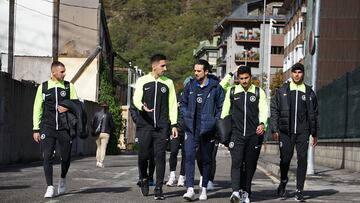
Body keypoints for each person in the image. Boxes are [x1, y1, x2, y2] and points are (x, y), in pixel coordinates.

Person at [270, 63, 319, 202]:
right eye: (295, 72)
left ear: (303, 74)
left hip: (303, 132)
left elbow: (314, 113)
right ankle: (284, 180)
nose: (297, 74)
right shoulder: (282, 91)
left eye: (300, 72)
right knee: (285, 160)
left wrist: (314, 133)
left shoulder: (309, 92)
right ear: (291, 74)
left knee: (302, 159)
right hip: (286, 132)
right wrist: (275, 129)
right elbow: (274, 110)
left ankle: (299, 190)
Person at [132, 54, 178, 200]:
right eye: (163, 66)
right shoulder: (142, 81)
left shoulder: (168, 83)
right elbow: (136, 98)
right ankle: (144, 178)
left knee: (160, 157)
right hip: (145, 125)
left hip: (162, 127)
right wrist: (141, 106)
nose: (165, 68)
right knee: (143, 155)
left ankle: (158, 188)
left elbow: (172, 105)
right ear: (154, 66)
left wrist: (174, 124)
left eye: (165, 65)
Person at [220, 66, 268, 203]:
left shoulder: (259, 92)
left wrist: (263, 124)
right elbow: (225, 113)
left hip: (254, 135)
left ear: (251, 77)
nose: (244, 81)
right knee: (237, 163)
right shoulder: (232, 91)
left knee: (250, 165)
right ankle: (235, 191)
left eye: (246, 78)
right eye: (241, 78)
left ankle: (246, 192)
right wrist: (223, 131)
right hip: (236, 134)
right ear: (237, 79)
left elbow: (264, 111)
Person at [32, 61, 78, 198]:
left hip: (65, 128)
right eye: (62, 71)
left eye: (64, 71)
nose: (65, 74)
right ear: (54, 73)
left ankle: (63, 178)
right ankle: (50, 187)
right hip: (48, 127)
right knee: (47, 156)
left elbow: (77, 105)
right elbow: (37, 108)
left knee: (66, 158)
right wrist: (36, 129)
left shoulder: (69, 87)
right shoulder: (43, 87)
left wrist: (68, 106)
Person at [180, 59, 224, 201]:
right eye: (195, 70)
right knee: (189, 158)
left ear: (206, 71)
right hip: (191, 128)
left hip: (208, 129)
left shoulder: (216, 87)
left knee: (206, 159)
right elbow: (183, 103)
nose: (196, 73)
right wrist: (186, 116)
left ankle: (204, 188)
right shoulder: (190, 85)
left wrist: (214, 121)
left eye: (199, 71)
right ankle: (190, 189)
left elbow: (221, 107)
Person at [130, 102, 156, 187]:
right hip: (141, 128)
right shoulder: (138, 95)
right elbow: (132, 108)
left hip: (154, 127)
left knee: (152, 154)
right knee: (141, 153)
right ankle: (142, 177)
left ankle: (151, 177)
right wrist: (138, 120)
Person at [166, 93, 186, 187]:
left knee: (185, 154)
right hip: (176, 129)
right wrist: (172, 126)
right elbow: (171, 111)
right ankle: (172, 175)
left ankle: (182, 176)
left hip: (187, 130)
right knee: (173, 151)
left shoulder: (192, 97)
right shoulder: (177, 97)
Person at [91, 101, 115, 168]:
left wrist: (94, 130)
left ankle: (97, 161)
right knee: (103, 148)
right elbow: (112, 125)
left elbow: (92, 123)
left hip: (97, 133)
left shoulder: (96, 114)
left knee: (98, 147)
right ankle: (101, 162)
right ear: (107, 107)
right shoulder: (109, 115)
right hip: (106, 133)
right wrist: (112, 131)